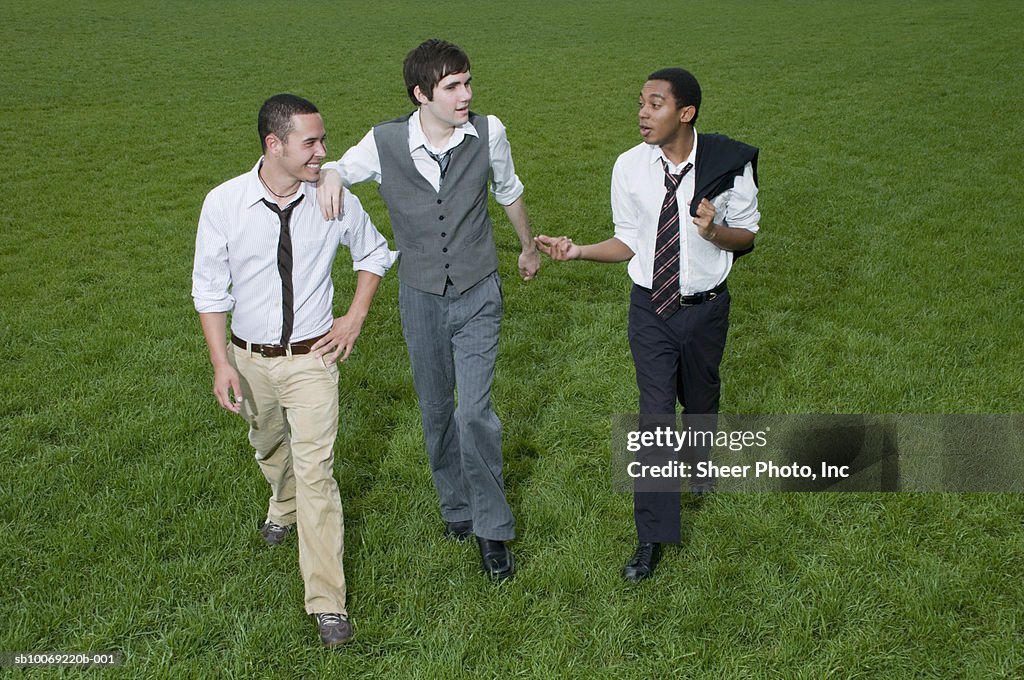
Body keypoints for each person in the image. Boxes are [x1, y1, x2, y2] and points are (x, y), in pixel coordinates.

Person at [317, 39, 540, 580]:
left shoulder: (490, 132)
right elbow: (341, 169)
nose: (466, 95)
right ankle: (456, 508)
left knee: (474, 413)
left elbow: (508, 190)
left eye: (468, 83)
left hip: (479, 290)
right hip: (419, 295)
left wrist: (528, 246)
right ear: (421, 94)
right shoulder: (385, 140)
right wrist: (329, 174)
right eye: (452, 87)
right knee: (437, 409)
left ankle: (491, 529)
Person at [535, 68, 760, 582]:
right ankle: (652, 536)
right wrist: (580, 252)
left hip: (706, 309)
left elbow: (746, 237)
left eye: (655, 104)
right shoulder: (628, 167)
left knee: (700, 398)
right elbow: (630, 241)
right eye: (640, 102)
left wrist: (715, 230)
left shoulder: (728, 164)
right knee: (655, 417)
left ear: (686, 113)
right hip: (650, 310)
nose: (642, 112)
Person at [192, 94, 396, 646]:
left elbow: (375, 253)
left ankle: (327, 601)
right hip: (248, 358)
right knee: (268, 446)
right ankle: (280, 506)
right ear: (273, 145)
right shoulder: (224, 203)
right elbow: (209, 291)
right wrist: (220, 364)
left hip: (312, 359)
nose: (323, 152)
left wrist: (353, 317)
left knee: (317, 473)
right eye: (311, 143)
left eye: (323, 141)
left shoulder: (332, 196)